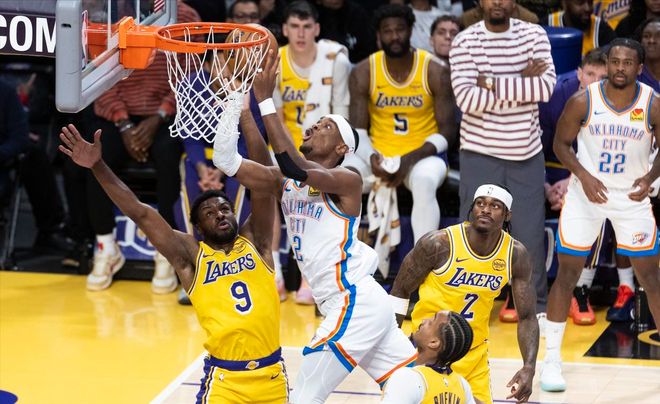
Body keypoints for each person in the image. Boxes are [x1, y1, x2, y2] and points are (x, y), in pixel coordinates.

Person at [212, 49, 418, 403]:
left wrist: (266, 99)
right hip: (356, 301)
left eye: (325, 126)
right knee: (410, 381)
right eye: (315, 123)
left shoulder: (348, 179)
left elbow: (295, 166)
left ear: (341, 147)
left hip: (353, 299)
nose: (312, 127)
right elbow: (229, 161)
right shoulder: (285, 182)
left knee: (305, 395)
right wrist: (240, 107)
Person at [58, 108, 288, 402]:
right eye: (209, 213)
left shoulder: (257, 241)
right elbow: (140, 213)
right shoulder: (191, 256)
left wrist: (245, 112)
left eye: (224, 209)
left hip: (272, 377)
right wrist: (98, 166)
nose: (220, 214)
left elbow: (265, 181)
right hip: (226, 382)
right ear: (198, 228)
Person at [541, 38, 660, 392]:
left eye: (628, 62)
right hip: (586, 196)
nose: (620, 67)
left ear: (640, 68)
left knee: (651, 277)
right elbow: (560, 144)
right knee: (567, 274)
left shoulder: (652, 104)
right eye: (615, 61)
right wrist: (583, 174)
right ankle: (551, 361)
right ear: (607, 64)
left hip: (631, 197)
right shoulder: (583, 101)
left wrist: (650, 179)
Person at [81, 0, 200, 294]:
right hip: (119, 115)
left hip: (167, 115)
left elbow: (190, 78)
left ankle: (167, 250)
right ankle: (106, 246)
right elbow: (100, 76)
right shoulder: (111, 13)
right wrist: (123, 124)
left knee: (168, 157)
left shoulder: (186, 17)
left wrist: (160, 115)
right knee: (94, 157)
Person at [449, 0, 556, 325]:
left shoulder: (534, 35)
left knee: (529, 235)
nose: (497, 1)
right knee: (475, 229)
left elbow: (545, 88)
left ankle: (534, 306)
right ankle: (465, 305)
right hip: (478, 151)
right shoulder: (465, 40)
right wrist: (521, 79)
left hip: (526, 152)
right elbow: (467, 99)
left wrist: (491, 82)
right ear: (480, 2)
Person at [390, 184, 539, 404]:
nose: (485, 209)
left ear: (507, 215)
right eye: (480, 203)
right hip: (429, 350)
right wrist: (391, 342)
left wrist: (529, 367)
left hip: (473, 355)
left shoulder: (515, 255)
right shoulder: (439, 244)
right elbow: (400, 290)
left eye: (495, 206)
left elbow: (527, 317)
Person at [347, 4, 457, 246]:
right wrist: (372, 157)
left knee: (424, 181)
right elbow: (358, 131)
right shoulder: (364, 71)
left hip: (423, 156)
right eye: (387, 31)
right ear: (379, 36)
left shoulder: (435, 70)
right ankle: (344, 253)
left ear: (410, 31)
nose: (394, 36)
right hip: (377, 153)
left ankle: (423, 256)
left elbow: (448, 131)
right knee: (344, 177)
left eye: (400, 29)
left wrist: (407, 161)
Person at [275, 0, 352, 304]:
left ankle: (312, 275)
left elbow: (341, 117)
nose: (301, 33)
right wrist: (291, 156)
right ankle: (274, 272)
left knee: (317, 191)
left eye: (307, 27)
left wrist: (320, 156)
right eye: (294, 26)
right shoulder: (275, 61)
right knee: (265, 184)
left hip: (325, 148)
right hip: (286, 145)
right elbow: (275, 119)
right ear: (285, 29)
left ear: (317, 28)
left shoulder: (336, 60)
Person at [540, 48, 609, 326]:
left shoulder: (616, 103)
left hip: (588, 174)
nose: (595, 82)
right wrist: (545, 186)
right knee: (519, 200)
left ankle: (581, 290)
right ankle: (516, 288)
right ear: (579, 74)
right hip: (549, 169)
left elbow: (607, 157)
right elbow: (533, 147)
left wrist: (573, 182)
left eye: (602, 77)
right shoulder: (556, 95)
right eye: (590, 74)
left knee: (601, 203)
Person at [381, 310, 476, 404]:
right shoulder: (462, 385)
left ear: (433, 342)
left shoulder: (407, 378)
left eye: (430, 323)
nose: (423, 321)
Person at [545, 0, 616, 56]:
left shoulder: (602, 30)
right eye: (580, 3)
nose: (587, 8)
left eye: (590, 2)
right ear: (564, 3)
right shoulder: (547, 25)